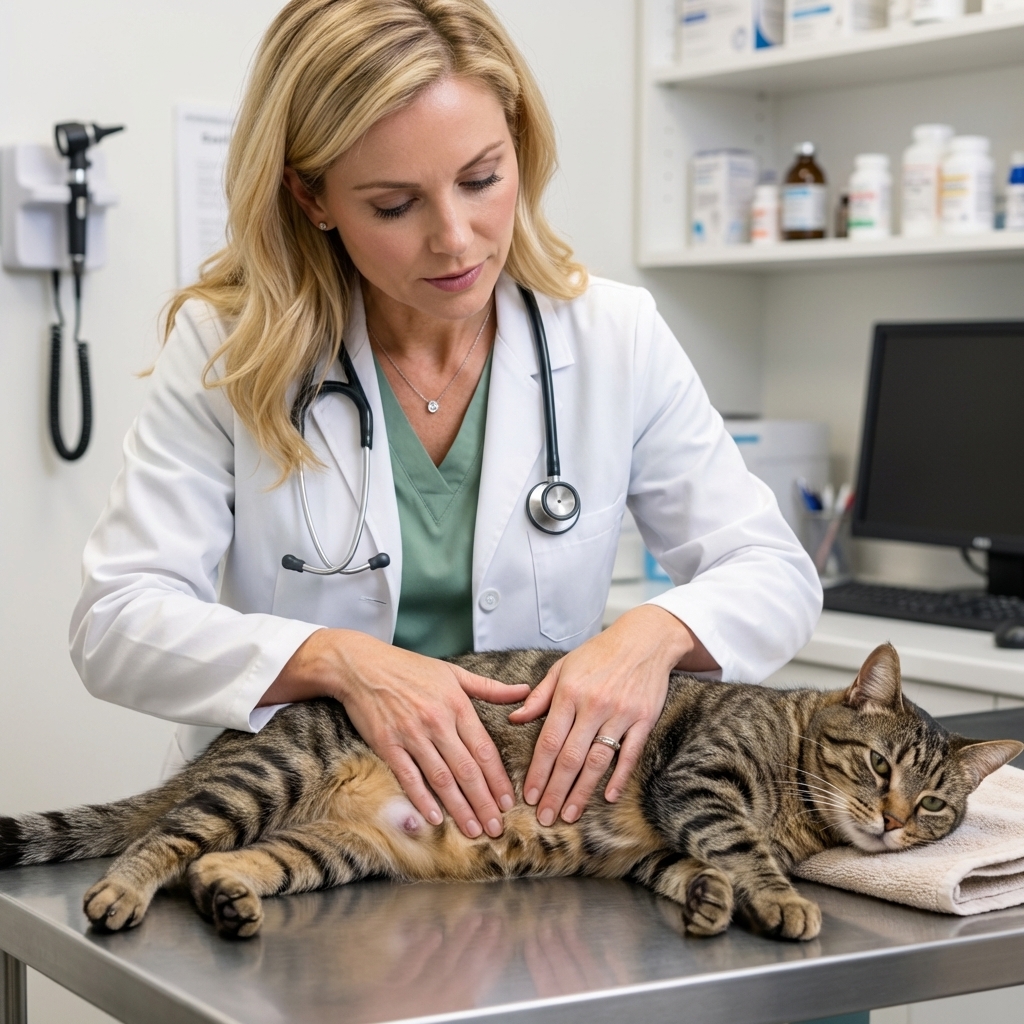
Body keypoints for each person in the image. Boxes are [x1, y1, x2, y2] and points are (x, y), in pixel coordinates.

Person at [70, 0, 821, 845]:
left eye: (481, 178)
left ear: (520, 148)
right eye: (395, 205)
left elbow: (773, 572)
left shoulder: (614, 335)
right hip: (305, 820)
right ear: (311, 196)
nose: (455, 240)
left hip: (532, 834)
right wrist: (338, 662)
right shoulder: (229, 352)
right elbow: (117, 621)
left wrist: (653, 635)